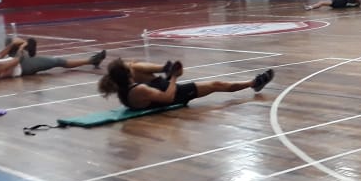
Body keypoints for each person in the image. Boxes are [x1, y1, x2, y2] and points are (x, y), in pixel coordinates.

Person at [98, 58, 274, 110]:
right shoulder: (139, 90)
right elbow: (168, 98)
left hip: (158, 88)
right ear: (126, 76)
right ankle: (254, 83)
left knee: (135, 65)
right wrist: (174, 77)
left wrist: (169, 73)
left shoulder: (125, 84)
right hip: (174, 95)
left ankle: (164, 67)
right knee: (216, 84)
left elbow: (130, 67)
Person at [0, 37, 106, 80]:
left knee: (9, 39)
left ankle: (29, 49)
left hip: (13, 61)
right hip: (22, 66)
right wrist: (21, 48)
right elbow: (15, 61)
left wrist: (12, 44)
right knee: (57, 61)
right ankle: (92, 60)